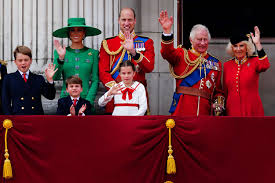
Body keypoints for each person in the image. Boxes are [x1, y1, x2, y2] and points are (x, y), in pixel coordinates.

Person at [158, 10, 224, 116]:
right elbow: (167, 53)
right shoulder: (181, 55)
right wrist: (167, 31)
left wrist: (218, 105)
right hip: (182, 110)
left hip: (205, 113)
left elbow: (218, 91)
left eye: (205, 40)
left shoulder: (216, 63)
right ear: (191, 40)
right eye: (199, 39)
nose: (202, 43)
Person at [98, 8, 155, 114]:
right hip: (116, 96)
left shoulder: (146, 42)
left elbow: (149, 67)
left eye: (130, 20)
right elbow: (103, 72)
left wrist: (134, 52)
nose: (126, 23)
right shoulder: (108, 43)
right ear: (119, 20)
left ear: (135, 21)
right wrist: (117, 89)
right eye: (123, 20)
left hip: (138, 95)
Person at [52, 17, 101, 113]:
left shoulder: (93, 53)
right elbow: (55, 77)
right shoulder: (59, 52)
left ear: (84, 33)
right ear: (68, 34)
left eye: (79, 30)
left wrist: (88, 101)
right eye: (72, 30)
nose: (76, 33)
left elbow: (95, 80)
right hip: (65, 101)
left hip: (86, 100)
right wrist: (61, 58)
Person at [223, 26, 270, 116]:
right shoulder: (227, 65)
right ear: (231, 48)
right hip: (232, 110)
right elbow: (225, 91)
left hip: (252, 109)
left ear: (247, 47)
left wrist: (257, 44)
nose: (238, 49)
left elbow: (265, 65)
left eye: (241, 46)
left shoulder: (254, 61)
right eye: (235, 46)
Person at [1, 46, 57, 115]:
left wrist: (50, 80)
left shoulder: (38, 78)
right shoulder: (8, 79)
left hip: (36, 118)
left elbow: (50, 96)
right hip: (17, 118)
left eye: (26, 60)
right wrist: (9, 119)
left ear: (30, 61)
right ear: (15, 62)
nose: (23, 63)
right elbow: (5, 102)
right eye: (20, 60)